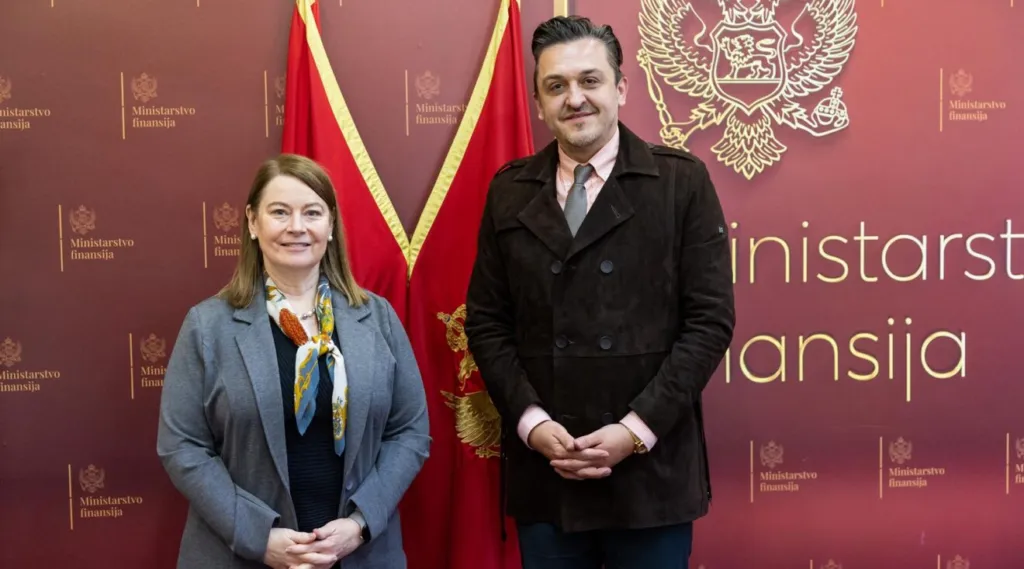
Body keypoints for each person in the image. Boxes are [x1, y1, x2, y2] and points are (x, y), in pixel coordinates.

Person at [463, 15, 735, 569]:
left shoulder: (681, 182)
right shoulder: (509, 190)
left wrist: (634, 432)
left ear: (621, 88)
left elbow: (709, 323)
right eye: (556, 86)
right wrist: (532, 425)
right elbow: (487, 322)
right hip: (548, 472)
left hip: (650, 475)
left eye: (590, 80)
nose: (575, 99)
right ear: (539, 103)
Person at [157, 154, 430, 569]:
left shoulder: (377, 319)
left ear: (331, 225)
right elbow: (182, 446)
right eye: (280, 212)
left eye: (312, 213)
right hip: (240, 556)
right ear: (253, 222)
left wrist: (359, 524)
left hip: (360, 554)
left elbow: (409, 432)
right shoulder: (207, 326)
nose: (297, 227)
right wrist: (257, 536)